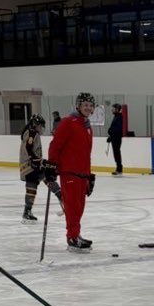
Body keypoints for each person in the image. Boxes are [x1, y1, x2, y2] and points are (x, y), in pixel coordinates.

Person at [44, 92, 96, 252]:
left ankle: (76, 234)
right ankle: (72, 237)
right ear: (78, 106)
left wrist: (88, 174)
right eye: (85, 104)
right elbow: (55, 145)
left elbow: (86, 153)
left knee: (79, 207)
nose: (88, 107)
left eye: (90, 105)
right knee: (72, 207)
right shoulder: (68, 122)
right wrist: (52, 166)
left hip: (82, 173)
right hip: (70, 172)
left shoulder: (87, 127)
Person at [18, 113, 47, 223]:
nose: (41, 128)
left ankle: (27, 212)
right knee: (47, 175)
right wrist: (34, 159)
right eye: (40, 125)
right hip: (30, 165)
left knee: (32, 188)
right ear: (35, 124)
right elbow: (28, 148)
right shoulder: (31, 133)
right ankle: (61, 197)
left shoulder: (32, 132)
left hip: (30, 165)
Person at [107, 102, 124, 176]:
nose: (112, 110)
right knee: (116, 153)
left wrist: (111, 131)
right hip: (114, 138)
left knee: (117, 153)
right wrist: (110, 136)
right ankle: (118, 168)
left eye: (113, 108)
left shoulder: (119, 117)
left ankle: (119, 168)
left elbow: (118, 129)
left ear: (117, 109)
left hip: (117, 138)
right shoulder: (116, 116)